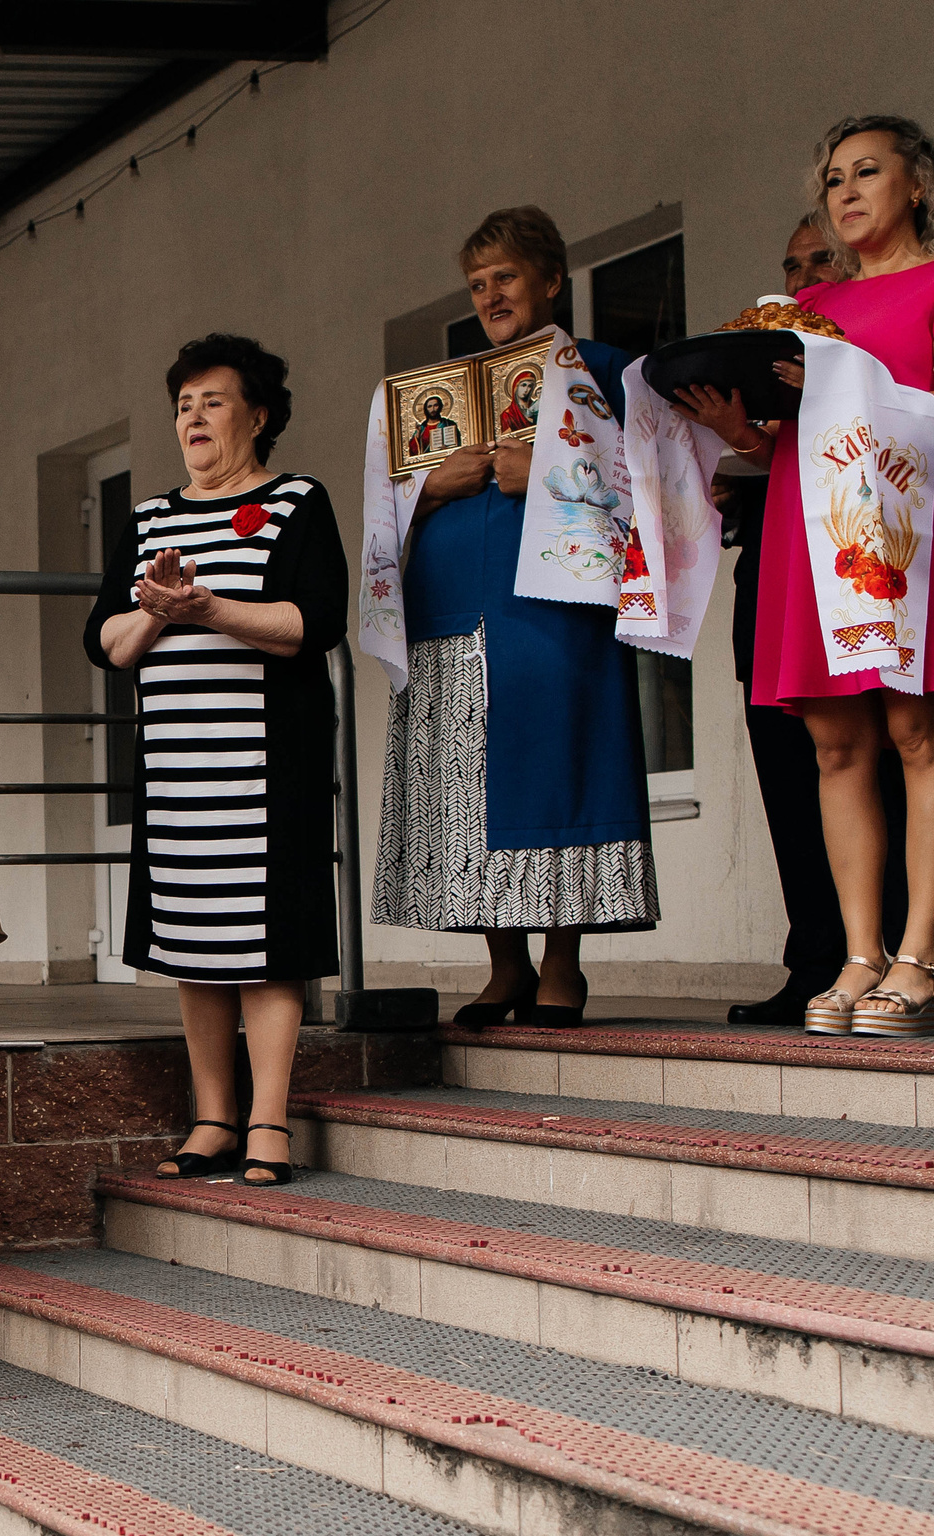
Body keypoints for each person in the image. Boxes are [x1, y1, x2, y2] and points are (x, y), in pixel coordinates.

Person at [730, 118, 934, 1036]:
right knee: (838, 746)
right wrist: (736, 422)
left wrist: (848, 396)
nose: (846, 192)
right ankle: (860, 954)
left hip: (906, 532)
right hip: (811, 536)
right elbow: (782, 437)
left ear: (919, 185)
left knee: (919, 732)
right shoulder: (809, 309)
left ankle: (922, 957)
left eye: (868, 172)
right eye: (834, 179)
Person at [372, 206, 658, 1029]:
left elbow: (654, 483)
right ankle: (504, 965)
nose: (490, 294)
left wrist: (544, 468)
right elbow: (384, 500)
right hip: (449, 608)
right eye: (477, 283)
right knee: (465, 785)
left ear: (551, 281)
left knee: (556, 772)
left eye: (505, 277)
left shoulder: (607, 369)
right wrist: (435, 484)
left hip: (554, 609)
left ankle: (563, 965)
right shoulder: (443, 392)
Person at [85, 333, 345, 1188]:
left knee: (267, 947)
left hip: (271, 766)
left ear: (259, 414)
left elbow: (311, 624)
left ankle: (269, 1119)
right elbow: (110, 644)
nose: (193, 417)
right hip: (179, 769)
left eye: (214, 401)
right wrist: (161, 610)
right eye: (183, 404)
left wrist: (209, 604)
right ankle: (211, 1117)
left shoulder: (298, 503)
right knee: (196, 944)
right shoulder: (148, 520)